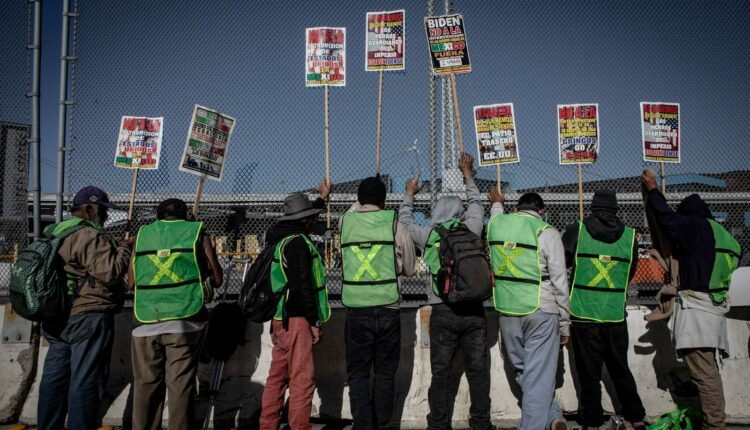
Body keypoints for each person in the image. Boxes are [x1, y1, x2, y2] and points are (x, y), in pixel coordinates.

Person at [398, 153, 494, 430]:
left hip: (442, 309)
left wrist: (408, 195)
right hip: (474, 310)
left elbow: (404, 221)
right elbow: (476, 204)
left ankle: (438, 423)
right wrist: (468, 174)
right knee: (478, 371)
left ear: (437, 214)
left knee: (440, 372)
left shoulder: (429, 235)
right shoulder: (472, 228)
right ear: (460, 214)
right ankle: (481, 423)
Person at [642, 169, 741, 430]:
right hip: (715, 309)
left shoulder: (697, 228)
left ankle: (714, 424)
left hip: (697, 312)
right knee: (706, 370)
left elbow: (667, 220)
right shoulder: (727, 238)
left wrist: (653, 190)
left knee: (705, 374)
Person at [37, 186, 133, 430]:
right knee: (86, 381)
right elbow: (109, 273)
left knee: (54, 380)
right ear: (90, 209)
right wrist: (124, 247)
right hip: (88, 314)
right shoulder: (88, 235)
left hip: (56, 314)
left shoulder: (54, 231)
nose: (105, 217)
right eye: (102, 211)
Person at [128, 198, 223, 430]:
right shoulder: (197, 232)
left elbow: (131, 283)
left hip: (146, 319)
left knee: (145, 386)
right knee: (180, 386)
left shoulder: (142, 235)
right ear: (187, 215)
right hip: (185, 320)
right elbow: (218, 279)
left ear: (157, 217)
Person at [561, 191, 646, 429]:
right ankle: (636, 417)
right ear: (616, 209)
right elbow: (629, 273)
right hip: (615, 314)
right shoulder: (630, 236)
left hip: (583, 313)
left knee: (589, 374)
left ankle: (591, 423)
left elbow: (561, 260)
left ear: (593, 208)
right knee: (620, 369)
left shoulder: (577, 230)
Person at [487, 189, 570, 430]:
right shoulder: (547, 232)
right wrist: (565, 323)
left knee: (524, 371)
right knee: (540, 376)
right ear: (541, 212)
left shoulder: (496, 226)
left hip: (507, 310)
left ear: (516, 210)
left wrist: (497, 204)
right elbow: (560, 283)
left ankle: (553, 417)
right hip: (541, 309)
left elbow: (494, 215)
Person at [341, 176, 416, 429]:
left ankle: (362, 426)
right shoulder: (395, 224)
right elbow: (408, 268)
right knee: (385, 375)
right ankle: (382, 425)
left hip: (356, 309)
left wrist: (359, 203)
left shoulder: (345, 222)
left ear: (358, 199)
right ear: (384, 200)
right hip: (388, 308)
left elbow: (352, 210)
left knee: (358, 375)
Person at [260, 182, 332, 430]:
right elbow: (302, 286)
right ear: (303, 221)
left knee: (277, 378)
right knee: (302, 379)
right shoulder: (299, 244)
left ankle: (267, 424)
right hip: (297, 319)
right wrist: (313, 322)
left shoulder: (277, 240)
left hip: (279, 320)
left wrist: (320, 201)